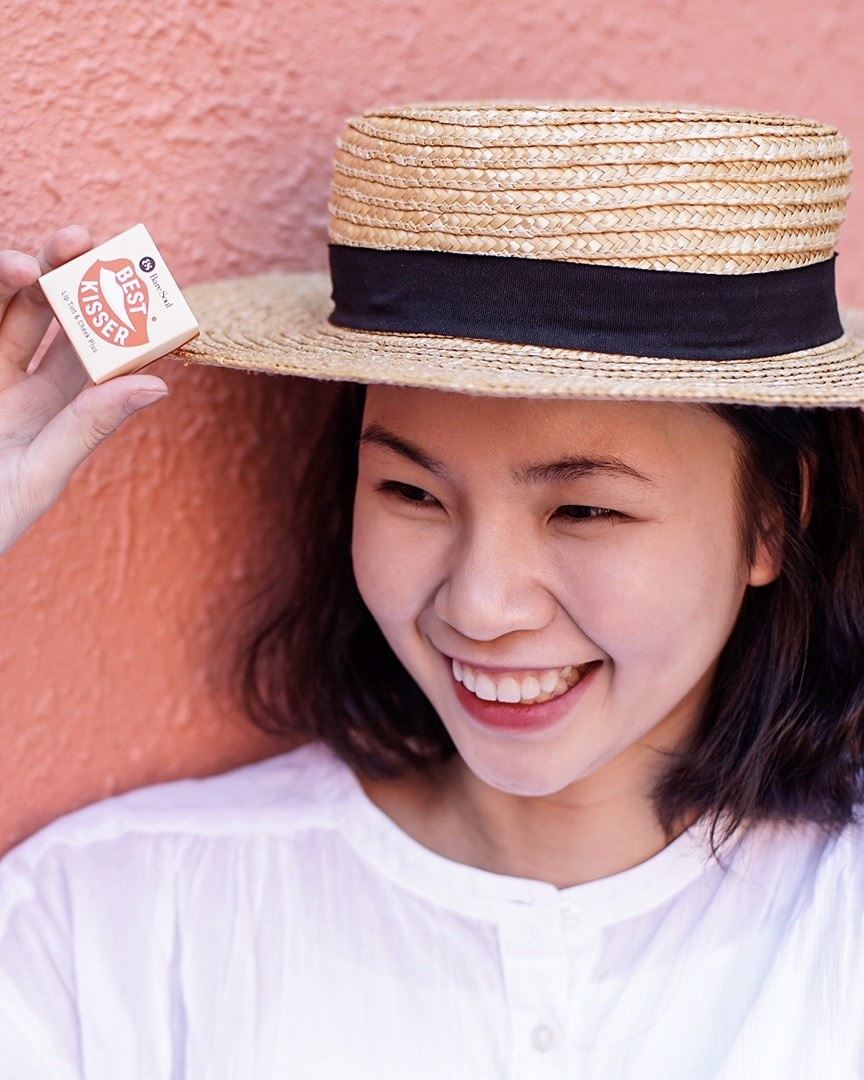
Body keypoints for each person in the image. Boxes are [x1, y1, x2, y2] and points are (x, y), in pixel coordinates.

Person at [1, 103, 864, 1078]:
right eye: (412, 492)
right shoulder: (111, 924)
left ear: (773, 520)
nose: (480, 605)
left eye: (584, 510)